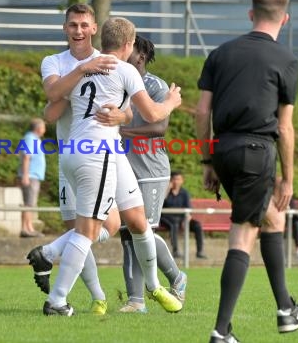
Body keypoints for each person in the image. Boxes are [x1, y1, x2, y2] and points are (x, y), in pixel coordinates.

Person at [196, 0, 298, 342]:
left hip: (225, 149)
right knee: (243, 234)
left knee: (272, 217)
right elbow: (285, 126)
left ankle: (286, 310)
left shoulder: (221, 54)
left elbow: (202, 112)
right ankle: (220, 332)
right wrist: (289, 179)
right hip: (256, 152)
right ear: (286, 19)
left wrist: (207, 160)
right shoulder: (287, 60)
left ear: (251, 14)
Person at [39, 16, 182, 316]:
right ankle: (57, 298)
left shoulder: (82, 70)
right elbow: (154, 113)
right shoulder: (126, 69)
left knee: (137, 220)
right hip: (96, 152)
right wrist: (171, 101)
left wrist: (121, 116)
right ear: (129, 45)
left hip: (86, 149)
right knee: (88, 230)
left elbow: (52, 109)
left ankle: (153, 286)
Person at [27, 3, 123, 316]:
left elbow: (127, 103)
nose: (78, 31)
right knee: (84, 228)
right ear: (65, 28)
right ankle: (92, 297)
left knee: (108, 224)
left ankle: (50, 254)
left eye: (84, 25)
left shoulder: (107, 61)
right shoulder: (53, 61)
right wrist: (81, 73)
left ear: (94, 28)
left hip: (101, 155)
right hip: (70, 156)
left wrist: (123, 113)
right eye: (72, 25)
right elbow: (52, 102)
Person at [117, 35, 188, 313]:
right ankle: (136, 301)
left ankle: (177, 278)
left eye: (129, 48)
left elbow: (159, 128)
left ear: (141, 56)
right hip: (123, 167)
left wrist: (120, 130)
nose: (123, 53)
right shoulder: (118, 82)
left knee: (141, 231)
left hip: (150, 170)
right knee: (127, 235)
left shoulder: (156, 86)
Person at [161, 170, 207, 259]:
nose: (176, 182)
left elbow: (188, 209)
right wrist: (167, 189)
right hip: (167, 218)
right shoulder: (165, 192)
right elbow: (160, 204)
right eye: (174, 179)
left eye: (179, 179)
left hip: (182, 218)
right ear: (170, 180)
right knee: (174, 224)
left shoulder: (184, 193)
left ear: (182, 181)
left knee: (197, 225)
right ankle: (175, 251)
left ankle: (200, 252)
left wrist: (186, 220)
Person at [18, 118, 46, 238]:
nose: (44, 129)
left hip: (34, 175)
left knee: (31, 203)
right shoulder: (30, 138)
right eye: (43, 127)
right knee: (28, 203)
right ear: (38, 128)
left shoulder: (35, 139)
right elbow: (26, 157)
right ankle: (26, 228)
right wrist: (25, 175)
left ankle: (29, 227)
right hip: (30, 175)